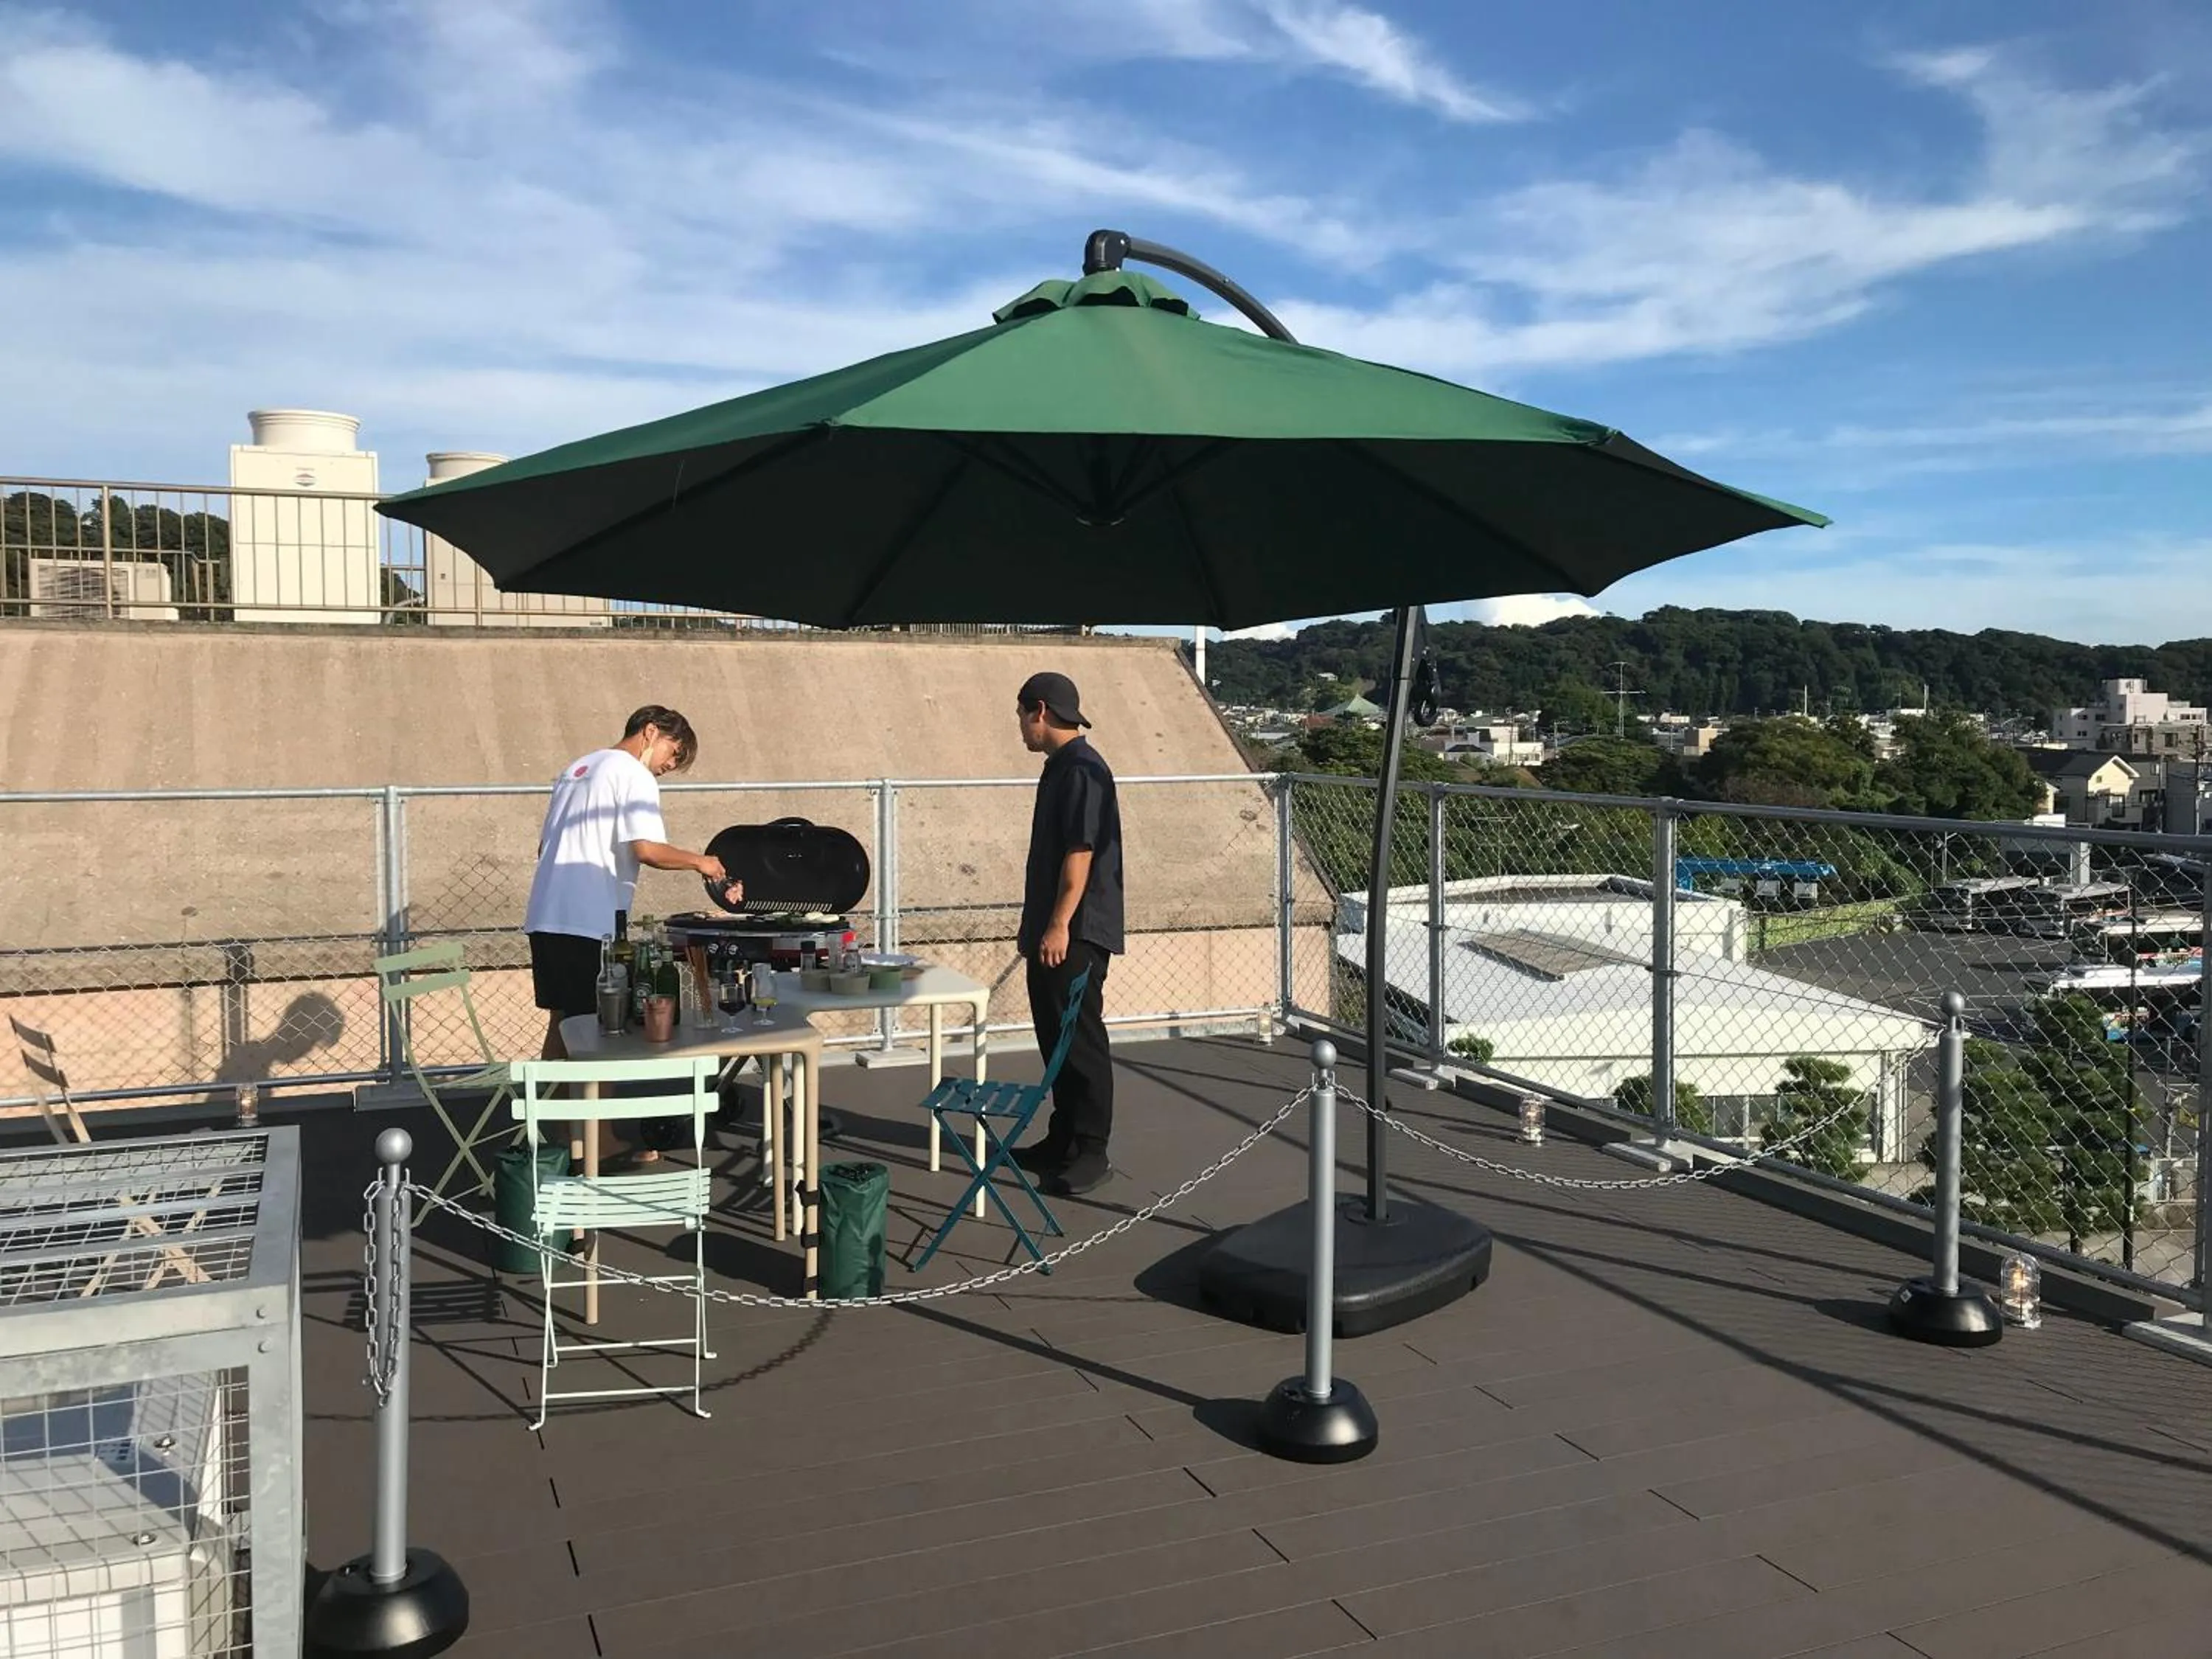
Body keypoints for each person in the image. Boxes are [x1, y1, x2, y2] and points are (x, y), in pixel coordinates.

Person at [524, 706, 737, 1068]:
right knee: (601, 1028)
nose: (672, 764)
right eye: (675, 751)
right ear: (651, 732)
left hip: (545, 916)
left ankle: (554, 1122)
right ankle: (596, 1127)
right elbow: (647, 849)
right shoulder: (633, 774)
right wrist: (704, 862)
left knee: (563, 1023)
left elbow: (544, 847)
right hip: (587, 921)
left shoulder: (577, 769)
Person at [1010, 671, 1124, 1196]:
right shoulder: (1061, 768)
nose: (1020, 729)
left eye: (1020, 717)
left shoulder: (1082, 769)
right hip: (1053, 930)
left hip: (1076, 933)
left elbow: (1081, 854)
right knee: (1055, 1037)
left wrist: (1057, 926)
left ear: (1039, 710)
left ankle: (1093, 1149)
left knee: (1080, 1040)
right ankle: (1064, 1138)